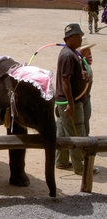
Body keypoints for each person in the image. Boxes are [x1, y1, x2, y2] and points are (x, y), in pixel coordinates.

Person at [55, 23, 99, 175]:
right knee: (77, 133)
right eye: (76, 37)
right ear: (67, 39)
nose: (80, 39)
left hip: (65, 101)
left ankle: (61, 161)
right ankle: (80, 168)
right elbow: (65, 82)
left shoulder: (71, 52)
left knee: (63, 131)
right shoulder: (68, 55)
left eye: (80, 36)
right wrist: (71, 104)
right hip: (70, 102)